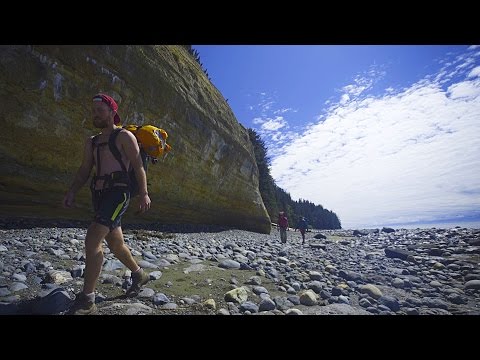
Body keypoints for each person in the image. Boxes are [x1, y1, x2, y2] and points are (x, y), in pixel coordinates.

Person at [62, 93, 152, 315]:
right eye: (93, 111)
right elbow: (85, 170)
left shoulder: (124, 137)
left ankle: (87, 300)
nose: (96, 115)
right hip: (99, 194)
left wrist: (144, 193)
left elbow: (138, 166)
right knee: (115, 243)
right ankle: (140, 274)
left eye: (100, 111)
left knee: (93, 237)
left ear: (112, 113)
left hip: (119, 193)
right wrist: (72, 191)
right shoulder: (91, 142)